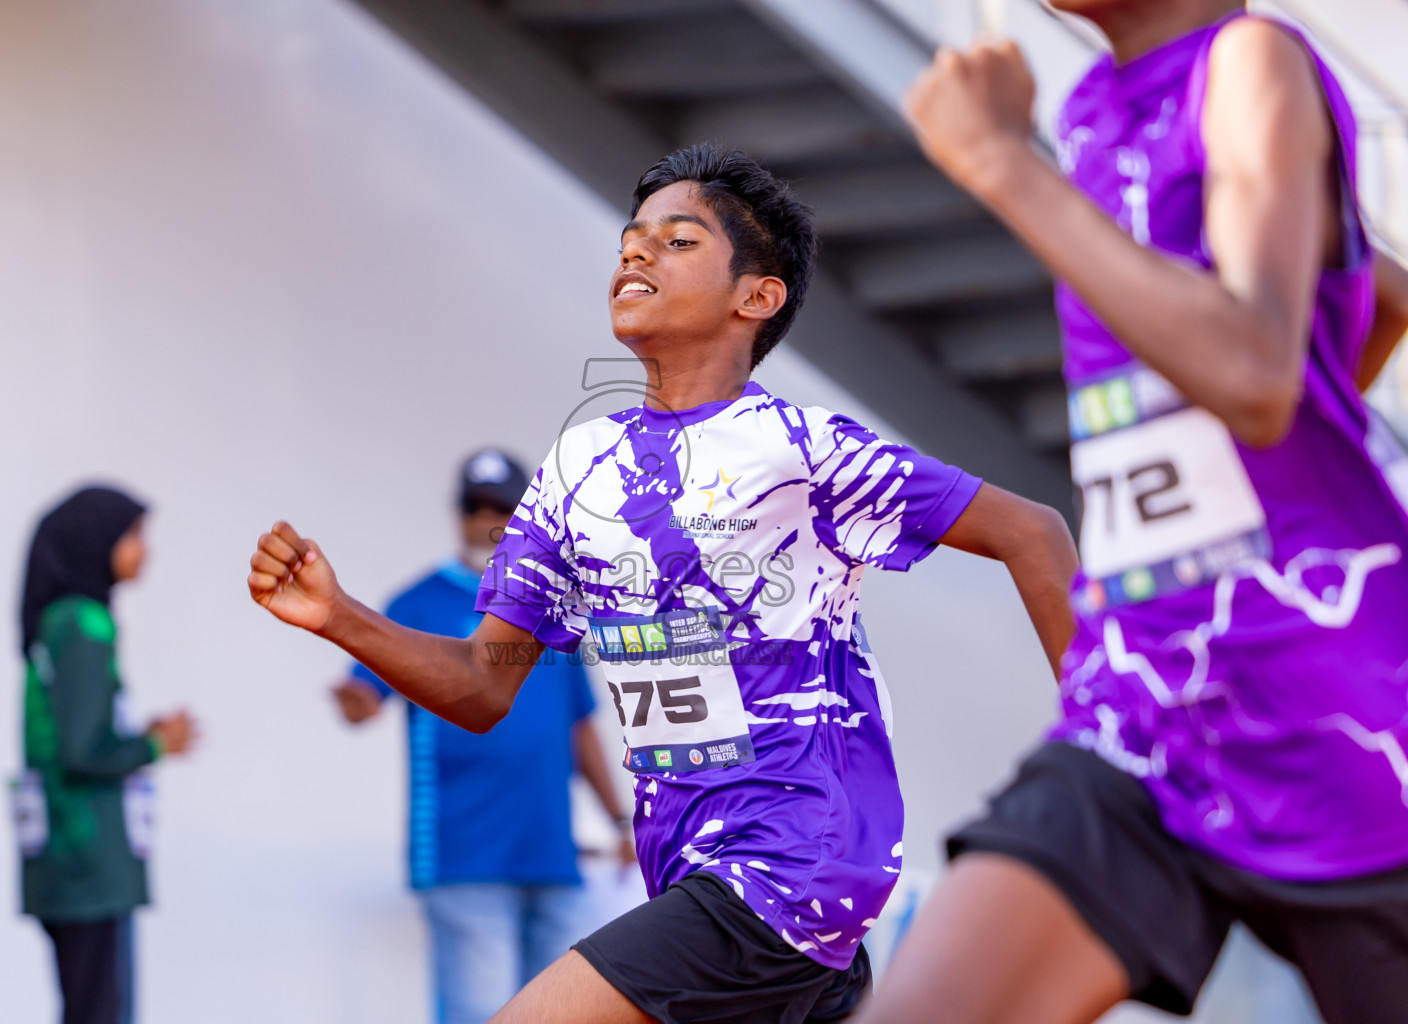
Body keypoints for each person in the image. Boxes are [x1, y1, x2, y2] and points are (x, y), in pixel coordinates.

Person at [247, 141, 1080, 1024]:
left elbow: (1034, 532)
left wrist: (1103, 763)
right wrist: (339, 617)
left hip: (785, 871)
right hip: (697, 883)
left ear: (757, 298)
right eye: (629, 239)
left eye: (676, 241)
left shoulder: (801, 449)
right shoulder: (578, 465)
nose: (635, 253)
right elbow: (484, 684)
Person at [853, 3, 1408, 1023]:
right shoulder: (1097, 106)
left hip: (1338, 729)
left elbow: (1251, 369)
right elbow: (1378, 291)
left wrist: (1002, 165)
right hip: (1147, 708)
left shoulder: (1250, 62)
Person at [331, 447, 637, 1024]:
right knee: (482, 1015)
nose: (483, 520)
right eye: (474, 506)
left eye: (501, 506)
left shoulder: (551, 606)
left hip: (552, 855)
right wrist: (352, 701)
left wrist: (619, 821)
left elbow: (578, 726)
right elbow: (363, 697)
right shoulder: (416, 602)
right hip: (464, 856)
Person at [17, 487, 198, 1024]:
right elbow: (80, 750)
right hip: (88, 863)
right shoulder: (85, 622)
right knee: (101, 1011)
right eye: (135, 536)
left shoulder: (59, 622)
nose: (146, 551)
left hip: (68, 861)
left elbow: (74, 730)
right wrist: (154, 745)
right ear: (95, 542)